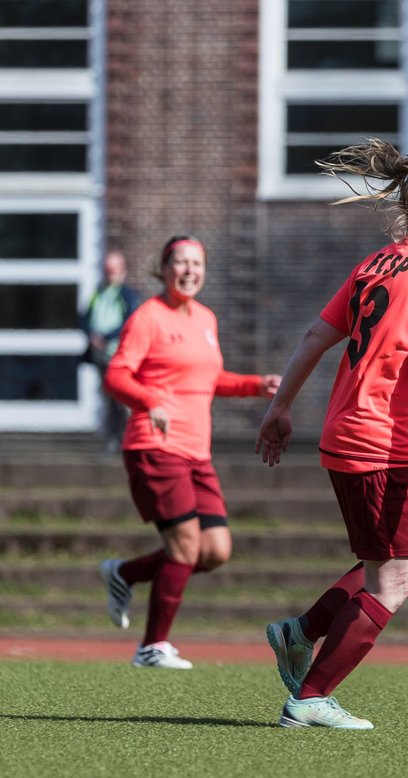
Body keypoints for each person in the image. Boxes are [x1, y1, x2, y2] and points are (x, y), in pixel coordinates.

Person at [256, 139, 408, 730]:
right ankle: (310, 696)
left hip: (345, 433)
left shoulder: (376, 263)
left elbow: (316, 336)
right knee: (392, 576)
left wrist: (281, 408)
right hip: (379, 444)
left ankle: (300, 631)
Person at [98, 234, 281, 670]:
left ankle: (125, 574)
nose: (189, 270)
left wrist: (256, 385)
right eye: (180, 262)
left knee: (214, 550)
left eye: (197, 263)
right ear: (163, 269)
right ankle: (152, 647)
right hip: (155, 445)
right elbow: (116, 375)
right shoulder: (148, 317)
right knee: (183, 546)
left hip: (196, 452)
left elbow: (207, 380)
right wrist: (150, 402)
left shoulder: (205, 319)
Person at [81, 251, 142, 453]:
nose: (110, 274)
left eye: (113, 270)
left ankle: (130, 440)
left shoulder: (127, 295)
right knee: (108, 400)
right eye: (107, 270)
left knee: (123, 401)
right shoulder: (98, 293)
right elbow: (84, 317)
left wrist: (106, 337)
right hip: (101, 358)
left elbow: (129, 322)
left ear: (122, 271)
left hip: (119, 357)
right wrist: (91, 334)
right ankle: (112, 440)